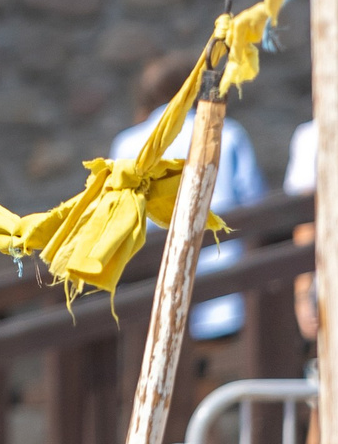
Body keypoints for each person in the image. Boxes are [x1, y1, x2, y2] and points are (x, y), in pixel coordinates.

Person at [109, 51, 266, 339]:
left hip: (152, 305)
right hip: (227, 296)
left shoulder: (127, 145)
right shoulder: (228, 134)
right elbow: (256, 205)